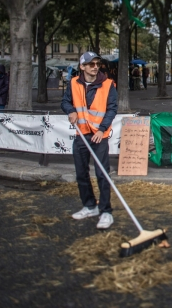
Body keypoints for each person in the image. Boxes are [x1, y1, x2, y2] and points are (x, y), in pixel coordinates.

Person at [61, 52, 118, 230]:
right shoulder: (73, 83)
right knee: (81, 173)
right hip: (81, 134)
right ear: (82, 67)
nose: (95, 67)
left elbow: (111, 109)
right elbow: (65, 102)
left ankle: (106, 211)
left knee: (102, 174)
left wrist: (102, 130)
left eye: (97, 64)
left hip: (99, 135)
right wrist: (70, 110)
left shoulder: (108, 84)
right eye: (91, 64)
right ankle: (90, 206)